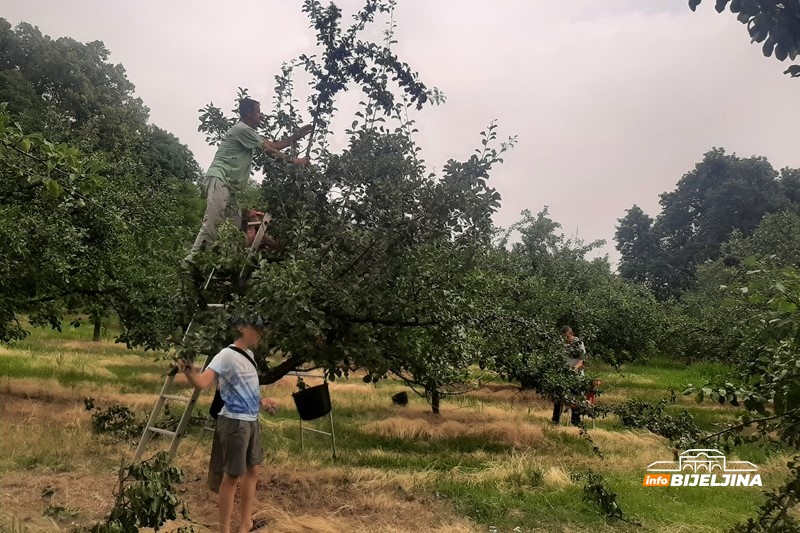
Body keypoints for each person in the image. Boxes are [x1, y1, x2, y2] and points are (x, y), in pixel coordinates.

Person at [179, 316, 278, 533]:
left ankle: (245, 524)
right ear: (242, 328)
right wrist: (188, 371)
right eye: (257, 327)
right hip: (234, 422)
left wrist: (262, 401)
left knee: (253, 470)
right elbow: (203, 382)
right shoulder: (225, 355)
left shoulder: (250, 356)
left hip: (251, 421)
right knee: (232, 476)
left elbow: (248, 389)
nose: (261, 332)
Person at [184, 97, 313, 264]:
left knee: (235, 227)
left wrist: (296, 136)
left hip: (229, 186)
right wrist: (296, 161)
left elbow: (272, 145)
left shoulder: (248, 132)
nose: (261, 115)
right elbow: (270, 151)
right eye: (258, 112)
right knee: (213, 222)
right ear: (249, 113)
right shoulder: (241, 129)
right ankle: (190, 262)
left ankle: (226, 262)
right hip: (219, 178)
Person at [551, 325, 586, 426]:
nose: (566, 339)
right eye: (564, 337)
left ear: (571, 334)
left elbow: (581, 361)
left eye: (567, 337)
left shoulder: (579, 343)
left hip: (576, 375)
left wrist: (573, 369)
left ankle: (575, 421)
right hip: (564, 375)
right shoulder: (562, 344)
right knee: (559, 395)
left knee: (576, 397)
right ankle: (555, 419)